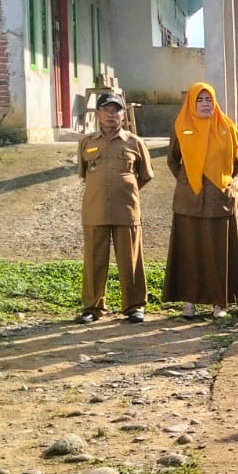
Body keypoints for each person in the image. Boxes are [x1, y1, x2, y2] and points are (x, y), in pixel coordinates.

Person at [162, 82, 238, 320]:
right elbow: (173, 160)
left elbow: (237, 162)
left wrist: (222, 181)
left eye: (208, 99)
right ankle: (189, 302)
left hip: (219, 200)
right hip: (189, 201)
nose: (205, 104)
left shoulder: (227, 127)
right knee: (189, 251)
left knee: (218, 252)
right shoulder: (181, 126)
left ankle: (220, 303)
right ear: (191, 103)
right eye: (199, 100)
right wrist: (187, 180)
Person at [76, 93, 154, 324]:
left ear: (123, 114)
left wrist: (126, 190)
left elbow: (146, 175)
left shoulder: (134, 142)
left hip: (126, 209)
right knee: (94, 260)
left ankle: (134, 306)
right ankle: (92, 307)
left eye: (116, 110)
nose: (111, 115)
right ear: (98, 114)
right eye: (106, 110)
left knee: (130, 260)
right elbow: (84, 175)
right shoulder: (87, 143)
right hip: (95, 209)